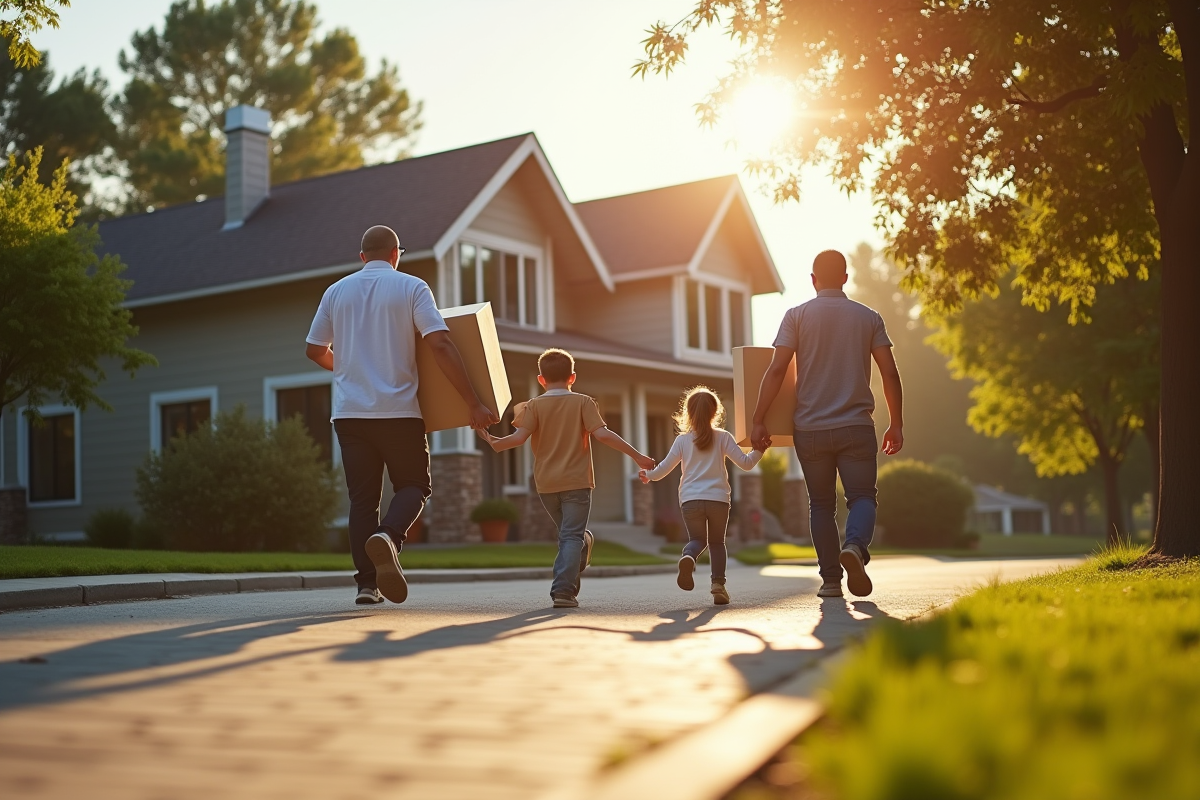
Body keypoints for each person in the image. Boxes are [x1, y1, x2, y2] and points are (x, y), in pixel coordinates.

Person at [306, 225, 498, 606]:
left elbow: (314, 349)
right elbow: (440, 343)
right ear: (396, 254)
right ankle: (389, 537)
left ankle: (366, 586)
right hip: (398, 412)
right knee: (414, 485)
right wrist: (473, 402)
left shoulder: (335, 292)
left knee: (362, 501)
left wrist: (348, 371)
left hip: (350, 415)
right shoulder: (412, 287)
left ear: (362, 257)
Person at [751, 250, 903, 599]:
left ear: (813, 279)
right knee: (862, 496)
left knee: (820, 504)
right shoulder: (869, 317)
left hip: (811, 429)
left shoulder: (797, 316)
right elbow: (889, 372)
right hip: (856, 427)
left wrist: (758, 419)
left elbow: (776, 371)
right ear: (846, 278)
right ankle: (854, 548)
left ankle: (831, 581)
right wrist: (896, 424)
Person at [478, 348, 656, 608]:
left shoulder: (534, 405)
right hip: (577, 482)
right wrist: (637, 456)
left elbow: (516, 439)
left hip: (546, 484)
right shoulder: (584, 402)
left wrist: (492, 440)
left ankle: (576, 558)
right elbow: (603, 435)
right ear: (572, 377)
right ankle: (564, 589)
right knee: (571, 536)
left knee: (567, 535)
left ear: (541, 379)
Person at [640, 386, 766, 606]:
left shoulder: (682, 441)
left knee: (697, 540)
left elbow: (663, 470)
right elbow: (746, 464)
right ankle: (718, 585)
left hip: (690, 500)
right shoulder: (723, 437)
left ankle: (689, 557)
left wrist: (647, 475)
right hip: (718, 499)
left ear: (688, 413)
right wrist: (760, 450)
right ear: (714, 412)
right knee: (717, 543)